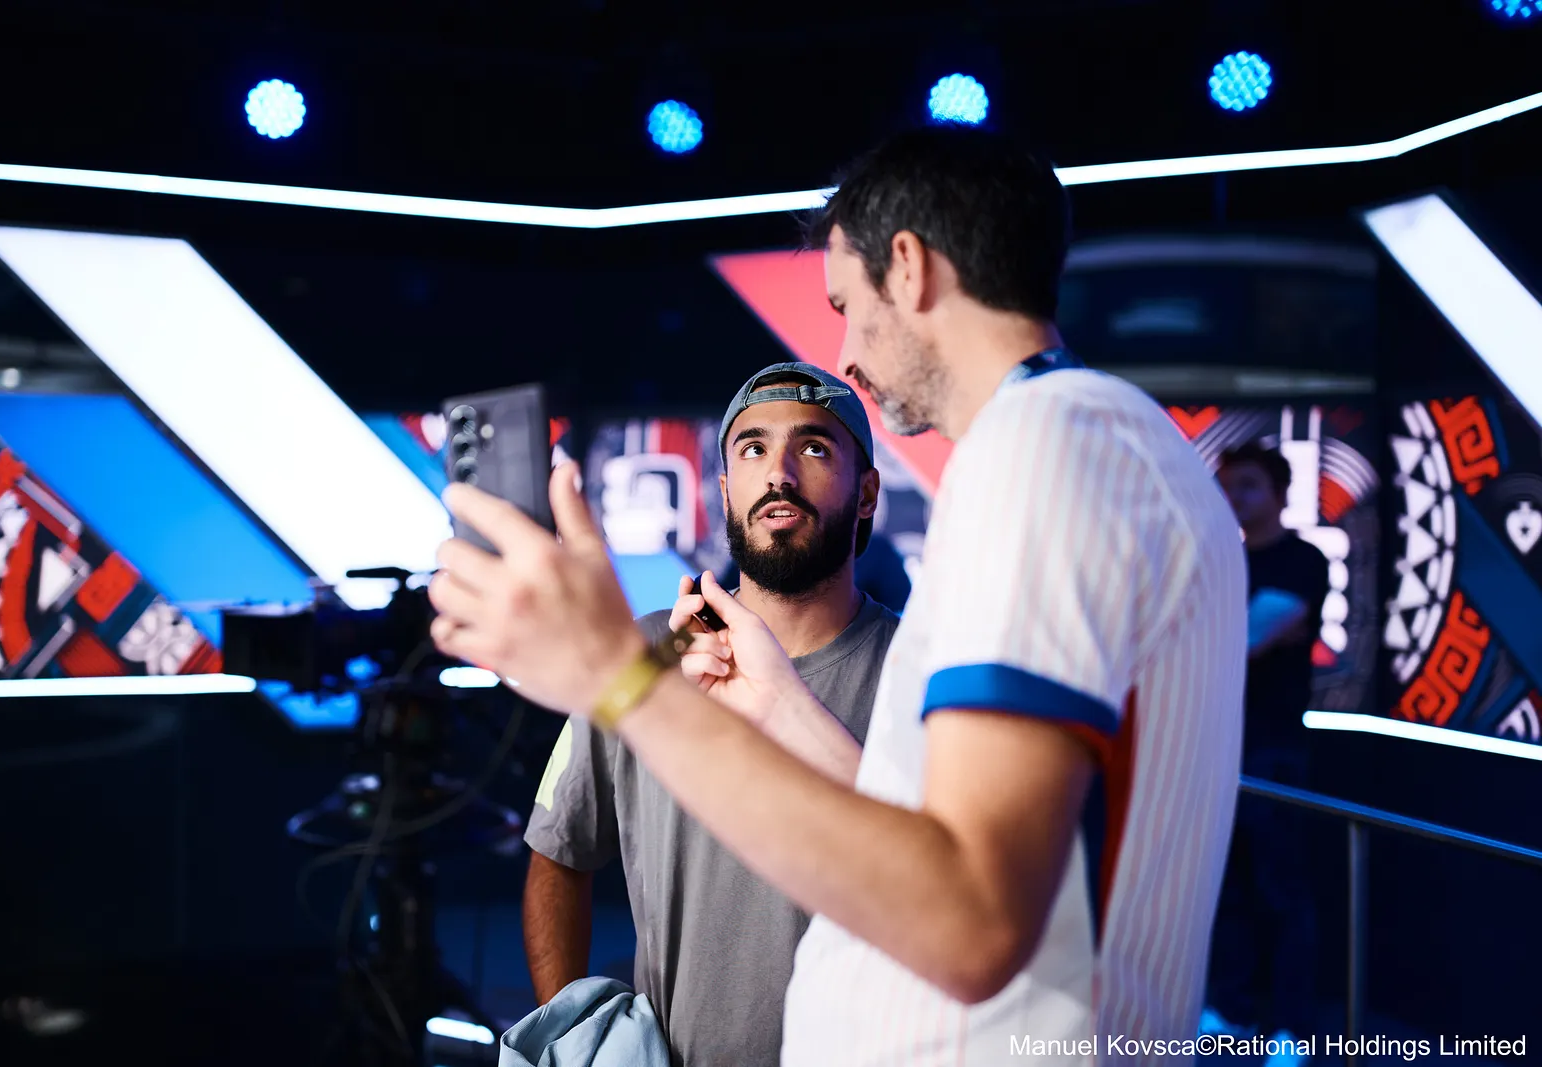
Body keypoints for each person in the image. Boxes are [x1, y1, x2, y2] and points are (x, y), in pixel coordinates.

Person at [429, 125, 1247, 1063]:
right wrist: (775, 698)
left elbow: (971, 922)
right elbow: (951, 840)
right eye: (752, 449)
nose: (848, 353)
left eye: (847, 305)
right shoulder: (1108, 442)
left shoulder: (1039, 452)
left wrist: (622, 680)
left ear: (910, 268)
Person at [521, 362, 901, 1067]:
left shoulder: (918, 672)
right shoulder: (646, 657)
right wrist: (573, 1043)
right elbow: (558, 852)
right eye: (753, 449)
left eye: (814, 447)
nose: (779, 473)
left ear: (868, 492)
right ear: (725, 490)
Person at [1206, 442, 1329, 1045]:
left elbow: (1244, 640)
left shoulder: (1302, 560)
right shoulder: (1217, 561)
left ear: (1280, 493)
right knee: (1224, 883)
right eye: (1228, 484)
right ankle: (1233, 1011)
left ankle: (1291, 1031)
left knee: (1282, 889)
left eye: (1248, 484)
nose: (1234, 496)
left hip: (1274, 750)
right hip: (1215, 749)